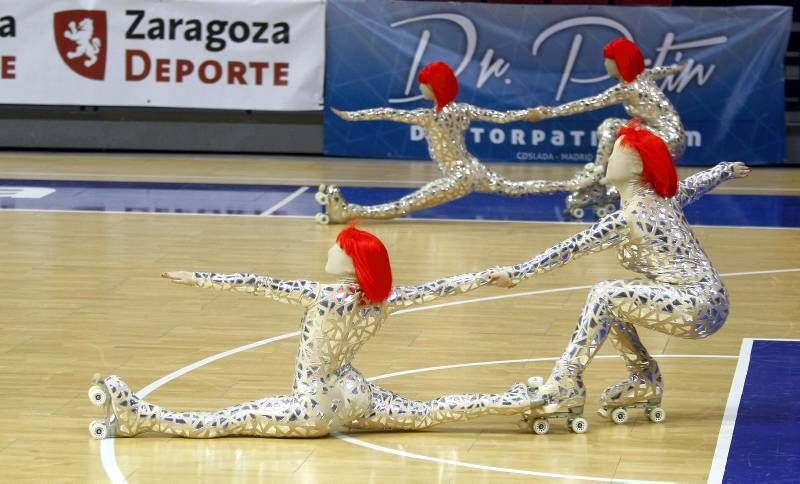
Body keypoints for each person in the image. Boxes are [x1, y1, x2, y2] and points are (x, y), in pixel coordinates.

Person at [87, 225, 531, 439]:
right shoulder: (381, 299)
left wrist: (197, 277)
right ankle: (518, 400)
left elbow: (257, 284)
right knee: (427, 412)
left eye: (340, 247)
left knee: (226, 420)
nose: (331, 248)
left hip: (314, 406)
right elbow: (440, 288)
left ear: (353, 262)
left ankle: (139, 417)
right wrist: (488, 274)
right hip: (354, 393)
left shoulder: (322, 295)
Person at [494, 121, 750, 434]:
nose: (608, 159)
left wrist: (518, 273)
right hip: (709, 300)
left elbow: (571, 248)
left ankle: (565, 381)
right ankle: (644, 380)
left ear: (636, 167)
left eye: (616, 154)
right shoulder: (663, 200)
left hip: (696, 304)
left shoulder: (634, 215)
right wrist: (725, 169)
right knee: (613, 307)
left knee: (605, 294)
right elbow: (696, 184)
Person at [316, 61, 593, 224]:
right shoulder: (458, 110)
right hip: (472, 169)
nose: (420, 87)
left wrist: (353, 117)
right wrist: (528, 114)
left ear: (434, 87)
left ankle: (348, 212)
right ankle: (573, 183)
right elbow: (503, 117)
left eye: (424, 83)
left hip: (461, 176)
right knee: (514, 188)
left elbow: (387, 113)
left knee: (407, 204)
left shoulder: (429, 117)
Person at [534, 38, 685, 219]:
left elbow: (588, 104)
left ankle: (598, 183)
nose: (605, 64)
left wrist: (549, 112)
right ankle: (604, 182)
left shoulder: (628, 88)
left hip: (665, 139)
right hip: (671, 135)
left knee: (611, 126)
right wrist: (679, 68)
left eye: (608, 59)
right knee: (612, 127)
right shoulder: (644, 76)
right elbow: (663, 70)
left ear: (620, 62)